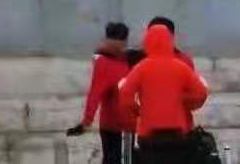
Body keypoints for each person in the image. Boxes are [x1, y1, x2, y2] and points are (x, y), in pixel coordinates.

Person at [117, 24, 208, 164]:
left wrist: (138, 110)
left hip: (148, 133)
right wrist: (184, 103)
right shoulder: (181, 67)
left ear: (147, 42)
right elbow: (201, 93)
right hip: (177, 133)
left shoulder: (141, 68)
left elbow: (125, 94)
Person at [67, 22, 134, 164]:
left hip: (112, 124)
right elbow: (95, 93)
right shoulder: (116, 61)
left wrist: (86, 122)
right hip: (121, 124)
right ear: (124, 40)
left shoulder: (107, 60)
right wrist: (86, 121)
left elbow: (94, 94)